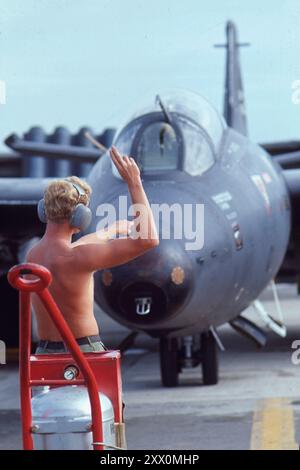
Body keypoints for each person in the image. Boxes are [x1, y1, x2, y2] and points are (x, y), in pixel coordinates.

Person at [26, 146, 159, 354]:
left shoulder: (33, 256)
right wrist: (135, 183)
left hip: (44, 353)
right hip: (83, 353)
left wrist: (111, 230)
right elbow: (148, 240)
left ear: (44, 209)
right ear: (81, 216)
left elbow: (76, 249)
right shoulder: (80, 258)